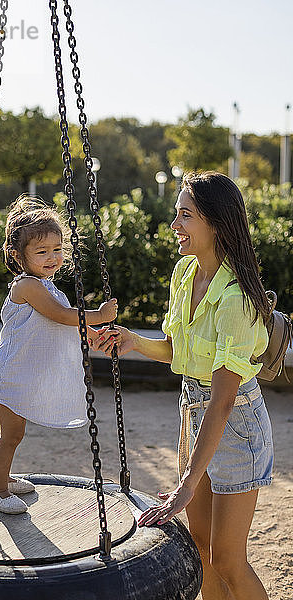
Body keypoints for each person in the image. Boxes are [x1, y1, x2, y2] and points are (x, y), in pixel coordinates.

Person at [93, 172, 273, 600]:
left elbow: (224, 401)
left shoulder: (237, 299)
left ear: (215, 223)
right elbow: (179, 350)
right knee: (202, 551)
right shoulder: (184, 273)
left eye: (185, 215)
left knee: (229, 558)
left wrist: (187, 482)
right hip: (195, 412)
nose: (174, 225)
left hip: (235, 423)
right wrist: (133, 341)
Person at [0, 196, 117, 515]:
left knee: (15, 434)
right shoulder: (27, 286)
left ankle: (5, 479)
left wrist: (94, 336)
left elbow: (66, 322)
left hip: (25, 377)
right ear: (17, 255)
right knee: (11, 435)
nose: (52, 257)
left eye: (57, 249)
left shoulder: (48, 285)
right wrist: (99, 315)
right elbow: (61, 316)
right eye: (42, 252)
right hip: (10, 377)